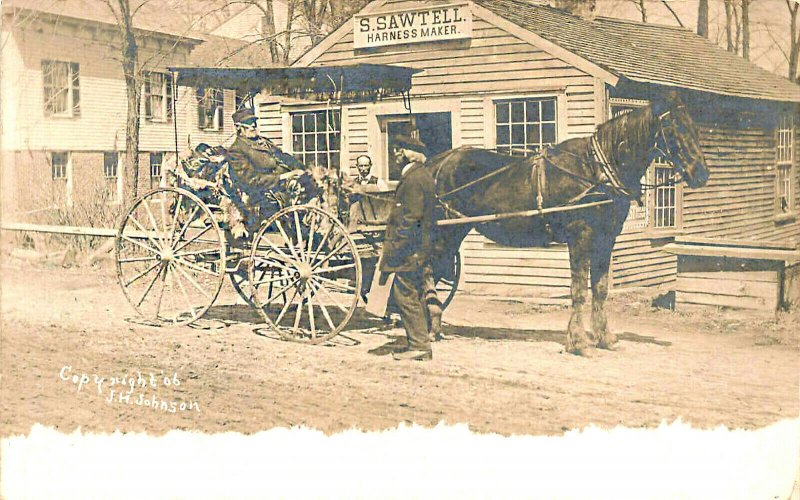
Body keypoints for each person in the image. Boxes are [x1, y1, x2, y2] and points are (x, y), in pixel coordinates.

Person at [380, 135, 438, 361]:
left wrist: (396, 246)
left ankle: (420, 346)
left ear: (409, 154)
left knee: (404, 295)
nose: (395, 155)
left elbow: (411, 218)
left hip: (410, 249)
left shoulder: (414, 180)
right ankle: (420, 343)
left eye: (399, 150)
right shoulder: (423, 176)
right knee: (413, 293)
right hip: (420, 247)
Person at [225, 108, 305, 228]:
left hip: (282, 185)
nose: (253, 125)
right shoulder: (236, 150)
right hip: (264, 192)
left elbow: (283, 157)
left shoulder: (263, 141)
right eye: (248, 123)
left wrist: (302, 169)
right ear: (238, 127)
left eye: (254, 122)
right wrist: (283, 177)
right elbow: (251, 180)